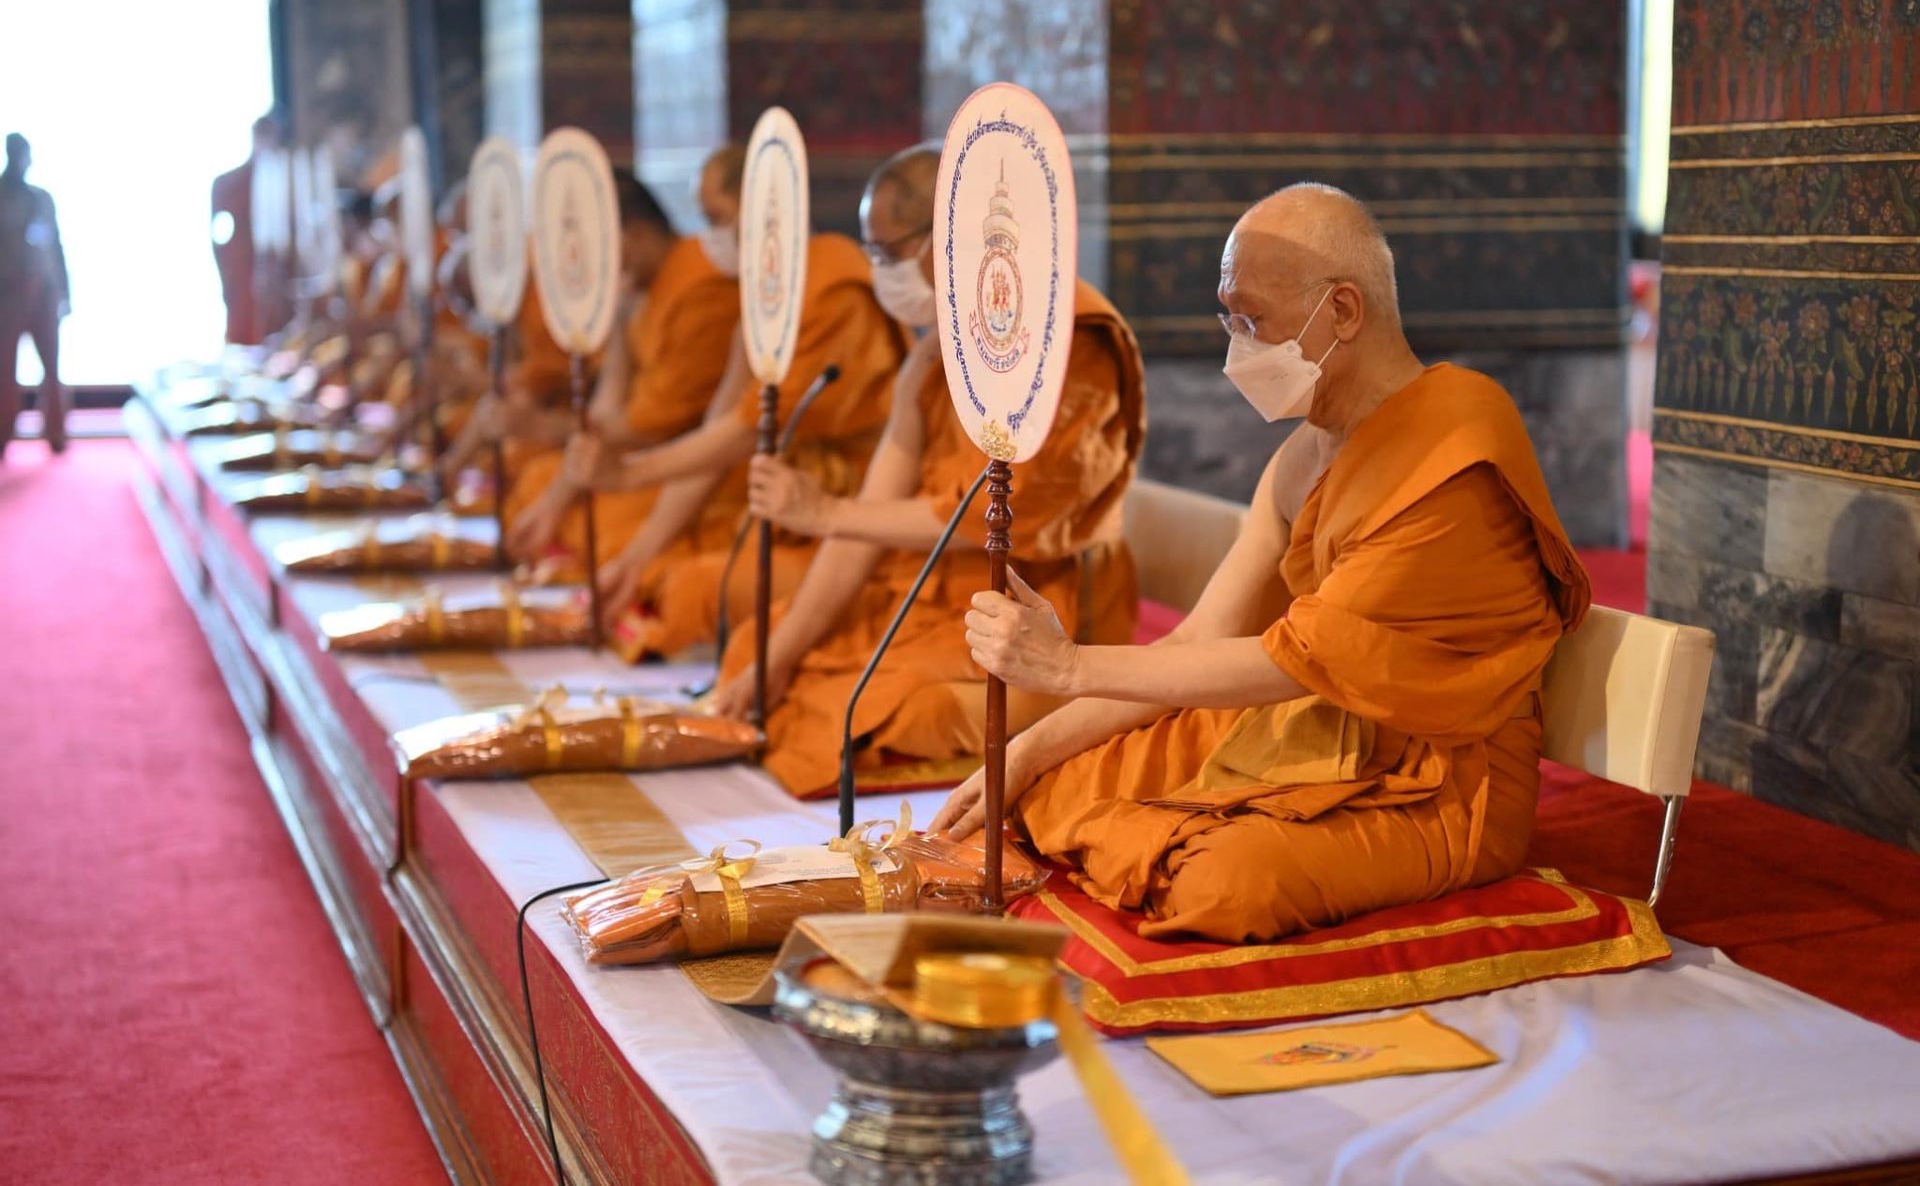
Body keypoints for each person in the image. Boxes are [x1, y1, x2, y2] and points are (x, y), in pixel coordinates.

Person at [929, 183, 1591, 944]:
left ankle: (1184, 845)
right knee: (1054, 784)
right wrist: (1024, 751)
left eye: (1253, 322)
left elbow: (1293, 664)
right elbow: (1198, 639)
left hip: (1438, 781)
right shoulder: (1300, 457)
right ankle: (1151, 830)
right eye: (1229, 320)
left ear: (1343, 311)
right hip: (1310, 728)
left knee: (1229, 883)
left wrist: (1072, 667)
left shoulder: (1452, 443)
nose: (1236, 351)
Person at [704, 143, 1145, 798]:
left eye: (886, 253)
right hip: (931, 588)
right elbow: (867, 521)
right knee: (761, 649)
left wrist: (824, 511)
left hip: (1034, 604)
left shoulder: (1068, 338)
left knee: (907, 710)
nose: (880, 272)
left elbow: (998, 520)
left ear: (948, 236)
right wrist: (784, 650)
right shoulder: (941, 344)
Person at [518, 145, 910, 658]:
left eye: (718, 219)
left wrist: (630, 474)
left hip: (844, 516)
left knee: (691, 588)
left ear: (768, 208)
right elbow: (721, 424)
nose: (711, 240)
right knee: (629, 546)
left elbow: (733, 434)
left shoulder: (832, 293)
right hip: (774, 501)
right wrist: (639, 554)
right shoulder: (761, 300)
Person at [444, 156, 733, 523]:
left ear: (637, 233)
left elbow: (653, 428)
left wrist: (547, 428)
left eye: (718, 220)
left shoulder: (701, 287)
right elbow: (608, 398)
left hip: (696, 466)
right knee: (537, 479)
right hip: (624, 447)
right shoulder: (640, 292)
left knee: (571, 505)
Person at [0, 134, 71, 458]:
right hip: (8, 296)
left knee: (52, 368)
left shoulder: (42, 198)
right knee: (5, 370)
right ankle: (3, 432)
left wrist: (64, 292)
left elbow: (55, 246)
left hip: (44, 294)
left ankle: (55, 430)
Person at [210, 115, 277, 346]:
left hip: (273, 278)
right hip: (241, 273)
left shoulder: (282, 186)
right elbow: (220, 238)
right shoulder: (229, 184)